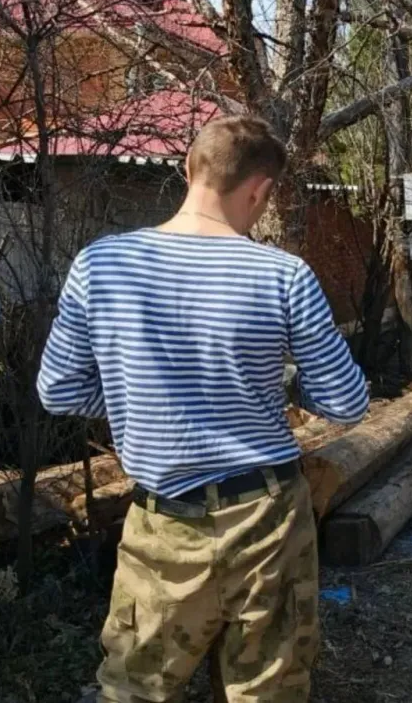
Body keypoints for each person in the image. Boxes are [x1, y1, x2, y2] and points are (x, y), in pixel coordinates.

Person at [37, 114, 369, 702]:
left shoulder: (103, 265)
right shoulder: (283, 275)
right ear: (260, 191)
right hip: (267, 519)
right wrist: (282, 389)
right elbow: (345, 401)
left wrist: (137, 403)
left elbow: (57, 391)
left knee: (134, 688)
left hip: (163, 524)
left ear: (188, 169)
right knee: (266, 691)